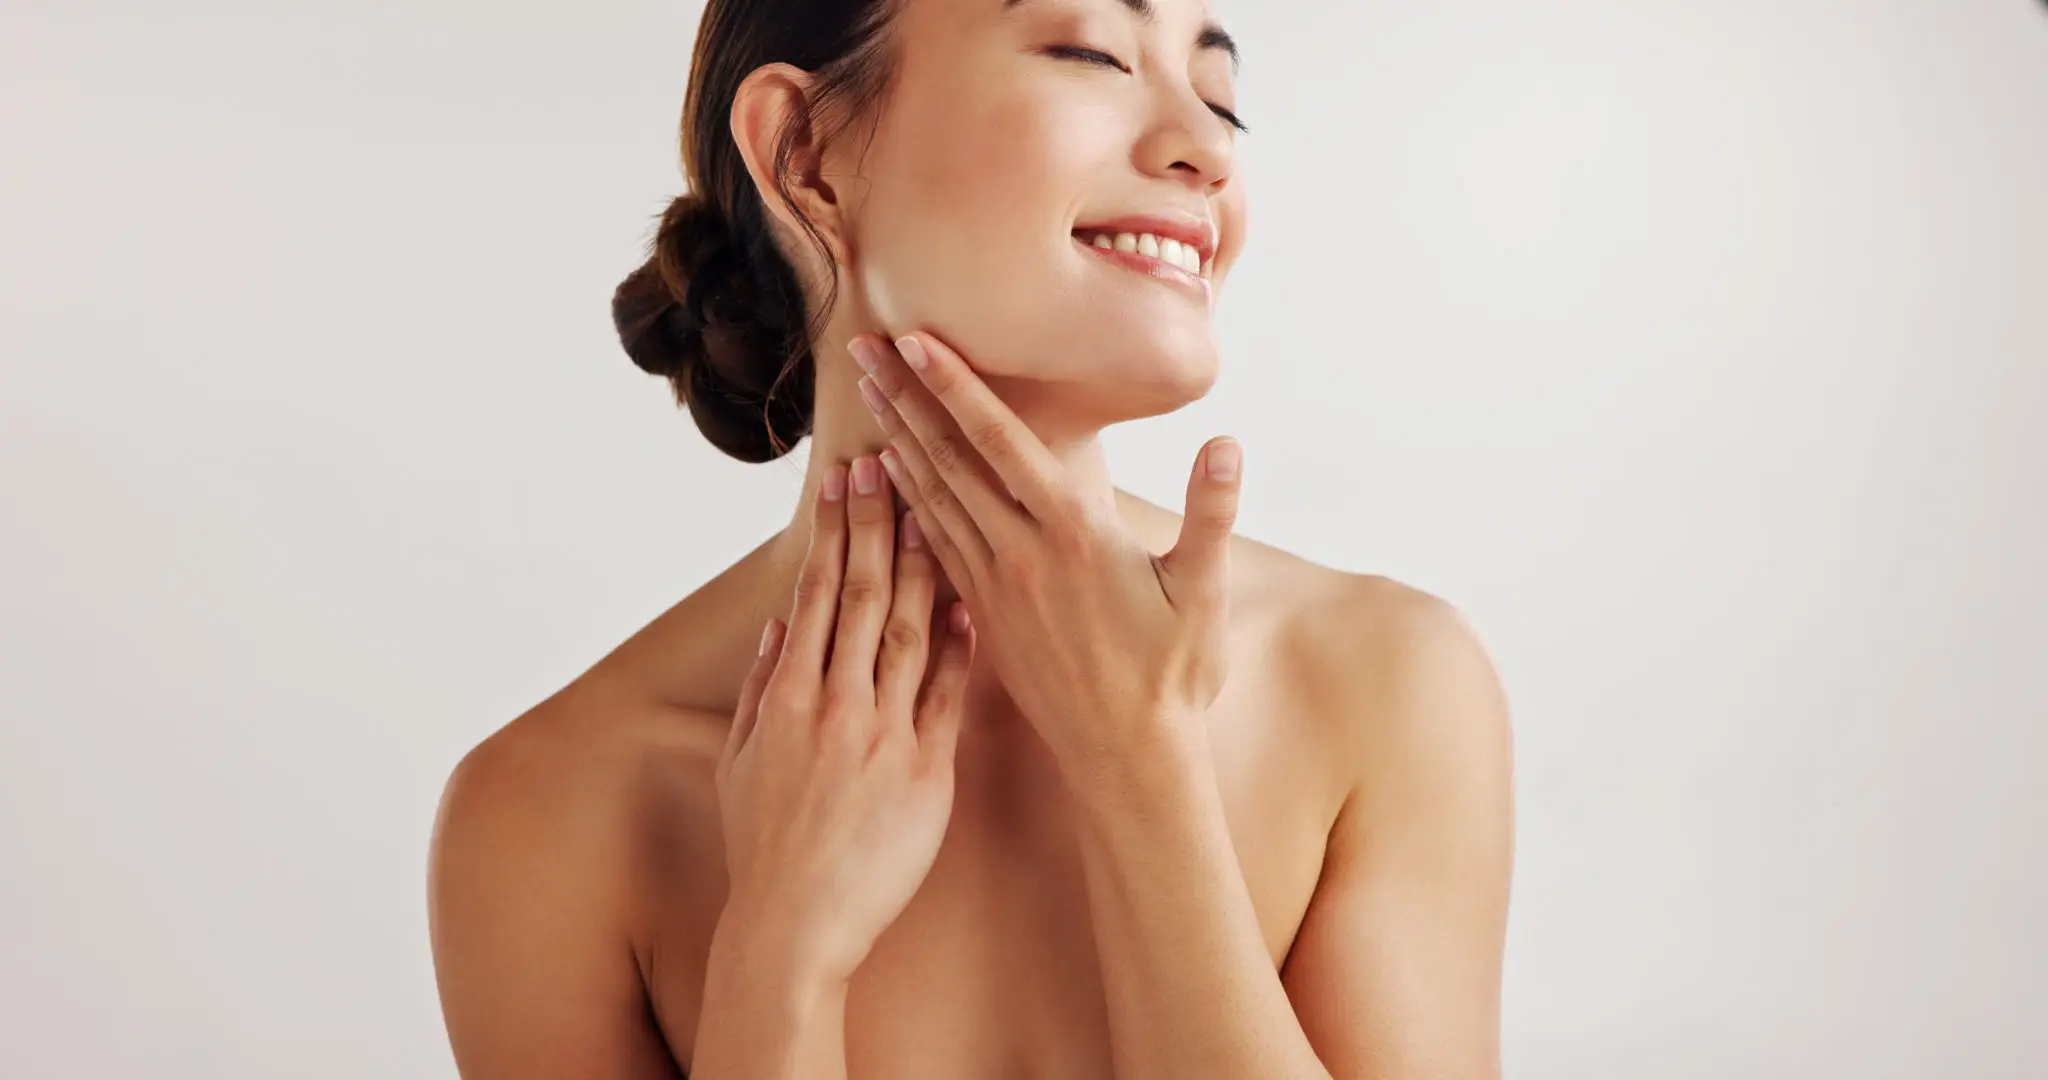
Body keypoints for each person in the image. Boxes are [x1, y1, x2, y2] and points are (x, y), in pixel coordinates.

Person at [427, 0, 1516, 1076]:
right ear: (804, 157)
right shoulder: (549, 814)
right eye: (1089, 52)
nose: (1202, 149)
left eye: (1218, 93)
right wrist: (780, 953)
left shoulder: (1387, 687)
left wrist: (1139, 763)